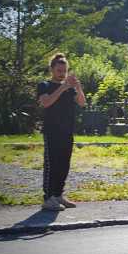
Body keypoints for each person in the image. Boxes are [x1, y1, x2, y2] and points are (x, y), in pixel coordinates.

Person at [37, 53, 86, 211]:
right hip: (52, 131)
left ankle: (58, 195)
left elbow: (82, 103)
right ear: (52, 69)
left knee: (64, 164)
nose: (62, 74)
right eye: (59, 70)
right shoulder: (44, 85)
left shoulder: (70, 88)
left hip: (67, 131)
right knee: (52, 165)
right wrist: (62, 87)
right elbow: (46, 103)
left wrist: (77, 87)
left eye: (64, 71)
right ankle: (48, 198)